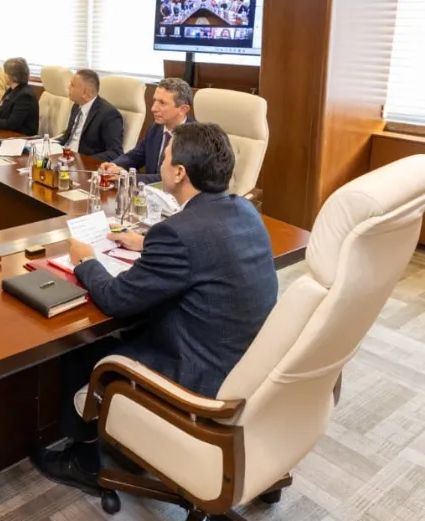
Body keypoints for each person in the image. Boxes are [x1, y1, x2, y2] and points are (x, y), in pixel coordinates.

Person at [29, 122, 278, 495]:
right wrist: (146, 244)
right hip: (251, 364)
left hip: (202, 378)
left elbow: (116, 298)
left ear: (179, 173)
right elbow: (208, 250)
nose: (160, 161)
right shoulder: (244, 210)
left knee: (82, 346)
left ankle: (82, 461)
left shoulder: (177, 232)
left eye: (165, 156)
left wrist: (86, 261)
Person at [100, 78, 194, 183]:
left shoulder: (195, 139)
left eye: (162, 103)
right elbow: (135, 156)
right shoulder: (155, 128)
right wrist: (113, 166)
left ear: (182, 109)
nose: (153, 108)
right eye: (154, 101)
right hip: (149, 191)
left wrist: (130, 177)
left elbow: (172, 178)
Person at [56, 69, 124, 160]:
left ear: (85, 93)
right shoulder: (77, 105)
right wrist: (50, 143)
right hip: (65, 157)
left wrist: (82, 161)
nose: (68, 87)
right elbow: (69, 137)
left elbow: (115, 153)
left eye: (72, 85)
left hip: (83, 163)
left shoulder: (109, 114)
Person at [0, 57, 38, 135]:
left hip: (21, 137)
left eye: (4, 72)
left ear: (11, 75)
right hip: (8, 134)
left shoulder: (25, 95)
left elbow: (12, 124)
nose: (3, 74)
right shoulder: (11, 90)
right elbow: (2, 116)